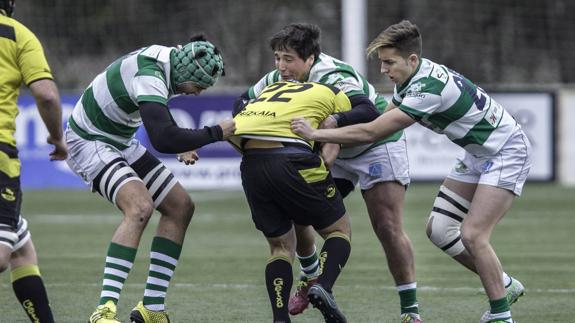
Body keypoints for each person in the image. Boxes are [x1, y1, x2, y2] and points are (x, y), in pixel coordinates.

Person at [292, 20, 531, 323]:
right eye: (381, 62)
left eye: (388, 62)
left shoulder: (427, 88)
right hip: (478, 153)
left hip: (506, 151)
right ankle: (505, 284)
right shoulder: (413, 78)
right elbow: (379, 118)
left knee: (472, 234)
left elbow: (372, 133)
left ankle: (501, 315)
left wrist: (318, 133)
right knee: (440, 230)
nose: (383, 69)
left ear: (412, 59)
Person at [235, 23, 421, 323]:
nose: (281, 67)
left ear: (310, 59)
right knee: (299, 211)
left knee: (387, 226)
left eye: (289, 59)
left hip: (375, 145)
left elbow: (368, 112)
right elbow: (240, 103)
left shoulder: (334, 75)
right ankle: (312, 281)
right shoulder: (276, 77)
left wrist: (333, 120)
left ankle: (410, 311)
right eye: (278, 58)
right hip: (330, 148)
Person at [65, 35, 235, 323]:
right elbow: (162, 137)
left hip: (119, 138)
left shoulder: (173, 61)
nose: (197, 94)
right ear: (187, 75)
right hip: (89, 140)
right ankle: (103, 310)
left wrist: (181, 141)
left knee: (180, 206)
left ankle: (151, 309)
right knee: (139, 206)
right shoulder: (150, 74)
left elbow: (162, 124)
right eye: (198, 87)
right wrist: (215, 132)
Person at [231, 80, 353, 323]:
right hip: (293, 158)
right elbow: (355, 116)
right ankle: (322, 286)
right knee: (338, 230)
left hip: (251, 164)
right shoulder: (331, 89)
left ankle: (279, 318)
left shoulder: (267, 90)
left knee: (280, 248)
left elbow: (236, 124)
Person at [0, 1, 68, 322]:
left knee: (20, 246)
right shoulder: (18, 35)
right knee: (2, 253)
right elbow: (47, 95)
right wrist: (57, 137)